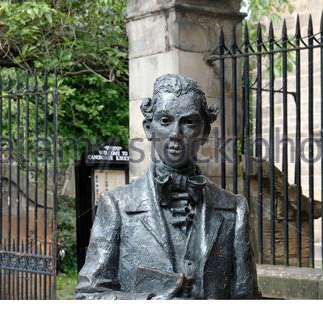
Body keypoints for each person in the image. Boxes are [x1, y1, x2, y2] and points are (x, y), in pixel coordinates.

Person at [75, 74, 259, 299]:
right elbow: (88, 295)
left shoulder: (234, 209)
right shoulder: (116, 206)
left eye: (188, 122)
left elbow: (247, 299)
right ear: (149, 128)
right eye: (165, 120)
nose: (175, 134)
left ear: (205, 132)